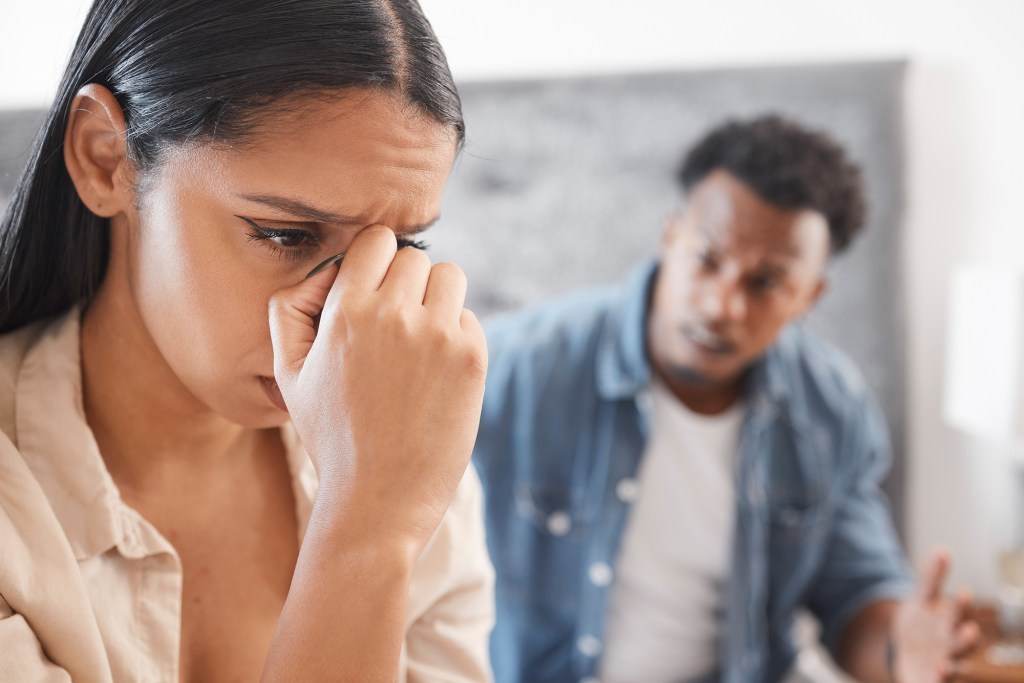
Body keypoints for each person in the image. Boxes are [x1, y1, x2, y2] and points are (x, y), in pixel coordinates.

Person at [0, 1, 494, 681]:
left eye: (400, 248)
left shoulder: (407, 460)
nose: (347, 321)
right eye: (288, 235)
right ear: (105, 158)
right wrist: (362, 537)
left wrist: (373, 517)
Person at [473, 115, 979, 683]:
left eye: (765, 283)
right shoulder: (511, 369)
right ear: (670, 238)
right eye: (707, 260)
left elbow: (856, 598)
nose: (722, 306)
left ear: (808, 295)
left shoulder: (830, 409)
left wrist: (900, 650)